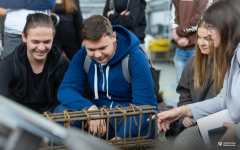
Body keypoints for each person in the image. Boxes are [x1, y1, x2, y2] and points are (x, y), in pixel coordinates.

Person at [150, 0, 240, 148]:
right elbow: (222, 99)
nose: (208, 34)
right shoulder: (231, 57)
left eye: (212, 29)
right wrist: (183, 111)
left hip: (232, 122)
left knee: (220, 145)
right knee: (184, 142)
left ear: (227, 28)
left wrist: (236, 131)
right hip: (226, 118)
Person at [56, 15, 158, 140]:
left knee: (144, 125)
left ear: (113, 37)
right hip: (100, 117)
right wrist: (90, 109)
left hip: (129, 120)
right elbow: (65, 90)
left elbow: (144, 107)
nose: (98, 55)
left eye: (103, 48)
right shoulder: (83, 56)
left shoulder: (135, 59)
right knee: (62, 112)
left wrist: (122, 137)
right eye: (91, 49)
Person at [0, 13, 70, 114]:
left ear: (53, 38)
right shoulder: (8, 65)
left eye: (46, 42)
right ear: (24, 36)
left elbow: (63, 100)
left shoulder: (63, 64)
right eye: (35, 42)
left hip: (52, 119)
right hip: (18, 120)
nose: (41, 48)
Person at [167, 19, 222, 139]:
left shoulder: (229, 66)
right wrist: (184, 117)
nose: (201, 43)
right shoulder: (193, 62)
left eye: (207, 39)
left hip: (219, 125)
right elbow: (184, 93)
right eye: (199, 37)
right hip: (194, 123)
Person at [171, 0, 216, 83]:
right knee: (181, 85)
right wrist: (177, 36)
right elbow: (174, 15)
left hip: (200, 48)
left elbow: (202, 17)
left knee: (200, 85)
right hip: (180, 48)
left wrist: (178, 32)